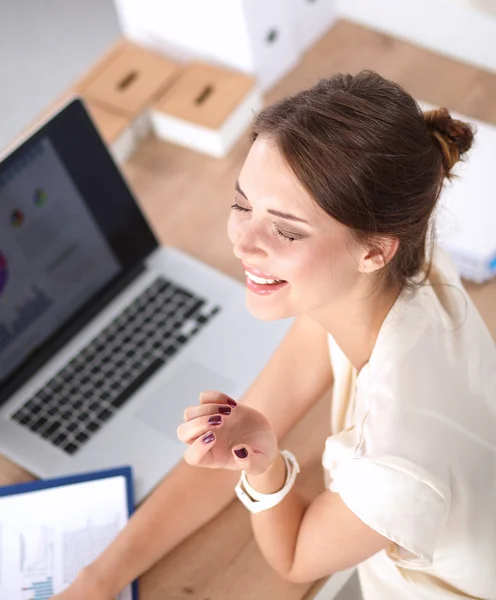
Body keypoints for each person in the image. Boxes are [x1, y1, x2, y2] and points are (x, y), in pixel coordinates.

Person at [53, 70, 496, 600]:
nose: (244, 243)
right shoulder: (406, 276)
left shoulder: (396, 466)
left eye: (285, 229)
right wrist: (96, 581)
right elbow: (233, 438)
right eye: (242, 205)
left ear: (376, 249)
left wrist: (264, 469)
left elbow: (292, 559)